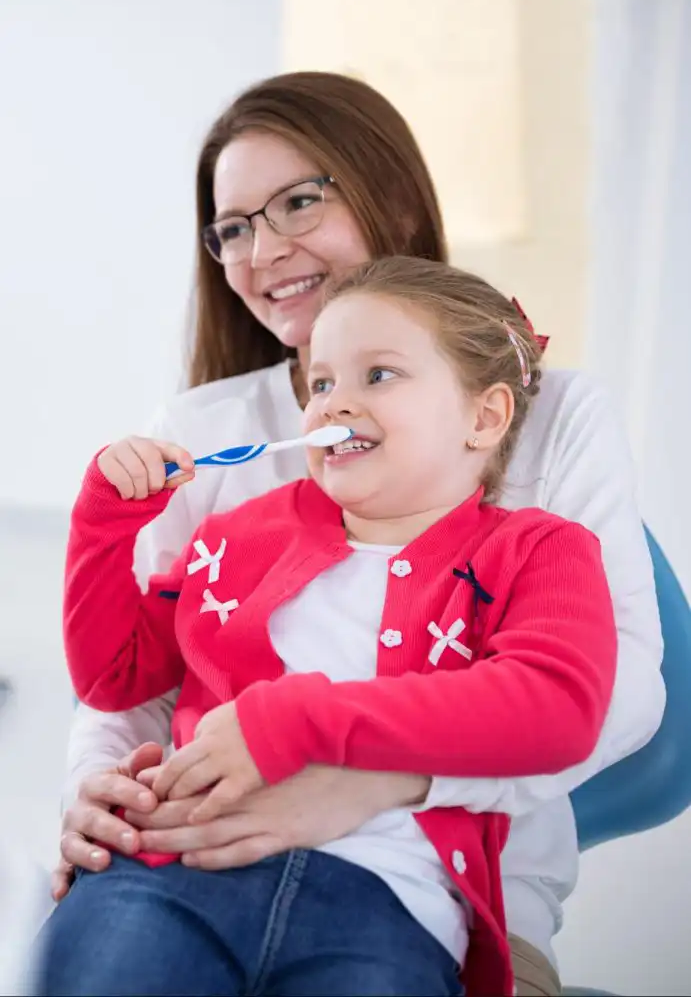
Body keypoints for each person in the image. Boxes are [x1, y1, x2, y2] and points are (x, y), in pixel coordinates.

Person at [52, 72, 664, 997]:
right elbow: (122, 682)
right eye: (233, 227)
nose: (264, 249)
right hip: (190, 863)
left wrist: (379, 776)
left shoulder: (542, 504)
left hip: (432, 896)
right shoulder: (221, 465)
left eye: (300, 200)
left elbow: (595, 695)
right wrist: (94, 792)